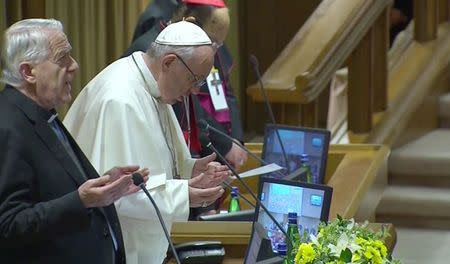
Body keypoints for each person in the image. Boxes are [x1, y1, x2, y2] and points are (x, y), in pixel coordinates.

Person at [64, 21, 231, 264]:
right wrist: (186, 194)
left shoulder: (153, 87)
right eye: (194, 79)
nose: (195, 91)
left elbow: (154, 158)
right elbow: (119, 194)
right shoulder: (120, 100)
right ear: (169, 63)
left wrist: (190, 169)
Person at [0, 18, 148, 264]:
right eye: (62, 58)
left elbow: (53, 188)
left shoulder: (43, 114)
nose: (74, 65)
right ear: (28, 72)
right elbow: (8, 224)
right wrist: (82, 201)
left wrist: (103, 186)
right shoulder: (7, 126)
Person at [123, 0, 248, 171]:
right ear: (190, 22)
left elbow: (227, 91)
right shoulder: (154, 48)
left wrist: (235, 138)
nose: (214, 51)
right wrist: (224, 145)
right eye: (212, 43)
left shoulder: (202, 45)